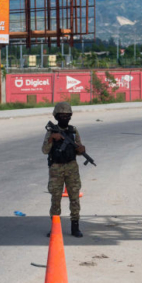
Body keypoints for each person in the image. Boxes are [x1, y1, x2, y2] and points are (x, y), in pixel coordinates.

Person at [42, 102, 86, 238]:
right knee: (55, 198)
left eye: (67, 115)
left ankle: (75, 227)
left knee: (74, 197)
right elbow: (44, 150)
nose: (65, 117)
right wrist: (51, 139)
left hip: (71, 167)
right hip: (56, 168)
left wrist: (81, 150)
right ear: (56, 116)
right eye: (61, 115)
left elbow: (78, 148)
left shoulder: (73, 131)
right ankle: (55, 227)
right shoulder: (51, 131)